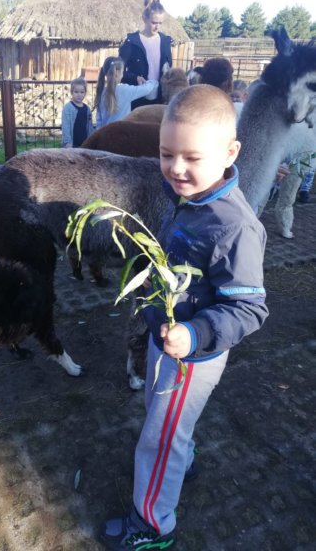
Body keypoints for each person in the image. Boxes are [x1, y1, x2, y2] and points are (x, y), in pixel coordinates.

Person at [100, 84, 269, 550]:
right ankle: (181, 459)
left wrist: (194, 335)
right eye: (166, 154)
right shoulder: (188, 197)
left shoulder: (234, 227)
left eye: (191, 157)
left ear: (229, 153)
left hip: (191, 357)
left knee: (158, 438)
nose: (176, 168)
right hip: (169, 340)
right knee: (166, 423)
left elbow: (249, 307)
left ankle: (153, 524)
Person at [119, 0, 173, 109]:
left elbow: (169, 68)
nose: (157, 27)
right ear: (144, 19)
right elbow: (119, 71)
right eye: (154, 22)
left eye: (160, 23)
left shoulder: (165, 41)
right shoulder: (131, 41)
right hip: (137, 99)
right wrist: (135, 78)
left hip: (160, 99)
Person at [94, 57, 158, 128]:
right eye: (122, 72)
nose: (122, 75)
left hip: (105, 133)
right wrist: (153, 82)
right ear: (117, 72)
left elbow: (99, 120)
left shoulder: (101, 91)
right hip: (122, 132)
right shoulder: (125, 90)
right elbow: (146, 89)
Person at [61, 77, 94, 147]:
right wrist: (67, 142)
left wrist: (91, 141)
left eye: (82, 92)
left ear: (85, 93)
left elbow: (90, 127)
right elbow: (65, 126)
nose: (79, 95)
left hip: (85, 144)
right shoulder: (68, 108)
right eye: (76, 92)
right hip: (72, 145)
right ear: (71, 92)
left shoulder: (87, 109)